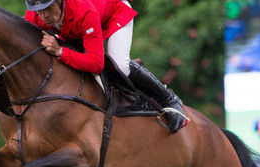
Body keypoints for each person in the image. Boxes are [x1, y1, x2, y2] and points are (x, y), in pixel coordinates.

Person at [24, 0, 189, 133]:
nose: (44, 15)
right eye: (39, 10)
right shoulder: (35, 14)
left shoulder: (83, 11)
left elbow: (96, 65)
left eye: (48, 8)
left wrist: (60, 51)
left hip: (114, 13)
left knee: (119, 64)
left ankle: (169, 99)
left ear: (60, 1)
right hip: (81, 27)